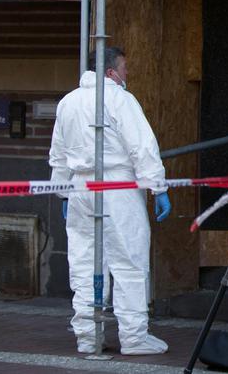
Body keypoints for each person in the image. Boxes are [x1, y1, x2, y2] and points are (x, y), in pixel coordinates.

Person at [49, 47, 172, 356]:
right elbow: (141, 146)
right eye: (124, 68)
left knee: (85, 262)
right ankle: (133, 338)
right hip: (118, 186)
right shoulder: (120, 99)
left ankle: (88, 337)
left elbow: (58, 154)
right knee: (129, 261)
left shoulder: (68, 103)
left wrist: (63, 191)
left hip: (80, 188)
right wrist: (157, 188)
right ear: (110, 72)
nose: (127, 74)